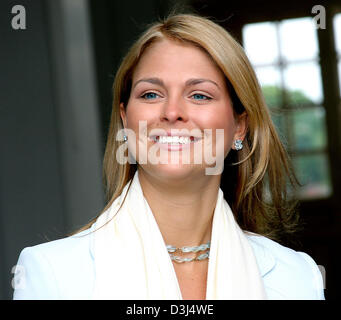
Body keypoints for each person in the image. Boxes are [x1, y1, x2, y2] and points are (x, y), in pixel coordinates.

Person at [13, 13, 324, 300]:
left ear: (239, 127)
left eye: (199, 95)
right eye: (151, 94)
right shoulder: (48, 273)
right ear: (125, 120)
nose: (172, 112)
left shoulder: (297, 277)